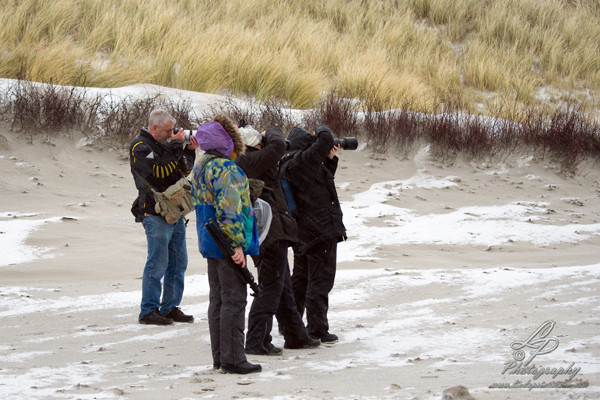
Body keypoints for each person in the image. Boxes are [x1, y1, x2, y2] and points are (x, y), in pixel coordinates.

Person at [236, 124, 321, 355]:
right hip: (269, 233)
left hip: (273, 230)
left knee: (282, 289)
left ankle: (295, 336)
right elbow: (278, 147)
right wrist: (270, 131)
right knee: (271, 289)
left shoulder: (250, 159)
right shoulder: (248, 160)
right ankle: (255, 341)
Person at [190, 114, 261, 374]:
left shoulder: (201, 166)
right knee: (233, 299)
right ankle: (234, 359)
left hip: (210, 241)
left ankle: (221, 357)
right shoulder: (226, 169)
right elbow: (229, 210)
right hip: (225, 242)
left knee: (218, 300)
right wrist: (236, 246)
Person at [129, 109, 198, 325]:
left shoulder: (164, 146)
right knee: (157, 261)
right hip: (154, 211)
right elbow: (159, 171)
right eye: (168, 131)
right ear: (154, 128)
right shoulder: (140, 147)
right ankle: (148, 310)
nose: (171, 134)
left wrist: (189, 151)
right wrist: (176, 146)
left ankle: (169, 307)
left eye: (173, 130)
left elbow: (182, 172)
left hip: (174, 212)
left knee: (178, 262)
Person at [284, 124, 347, 343]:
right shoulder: (301, 162)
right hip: (319, 229)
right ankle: (317, 328)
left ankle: (291, 324)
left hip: (304, 230)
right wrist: (320, 130)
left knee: (301, 279)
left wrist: (329, 159)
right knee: (320, 279)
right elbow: (324, 138)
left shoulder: (290, 163)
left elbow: (319, 184)